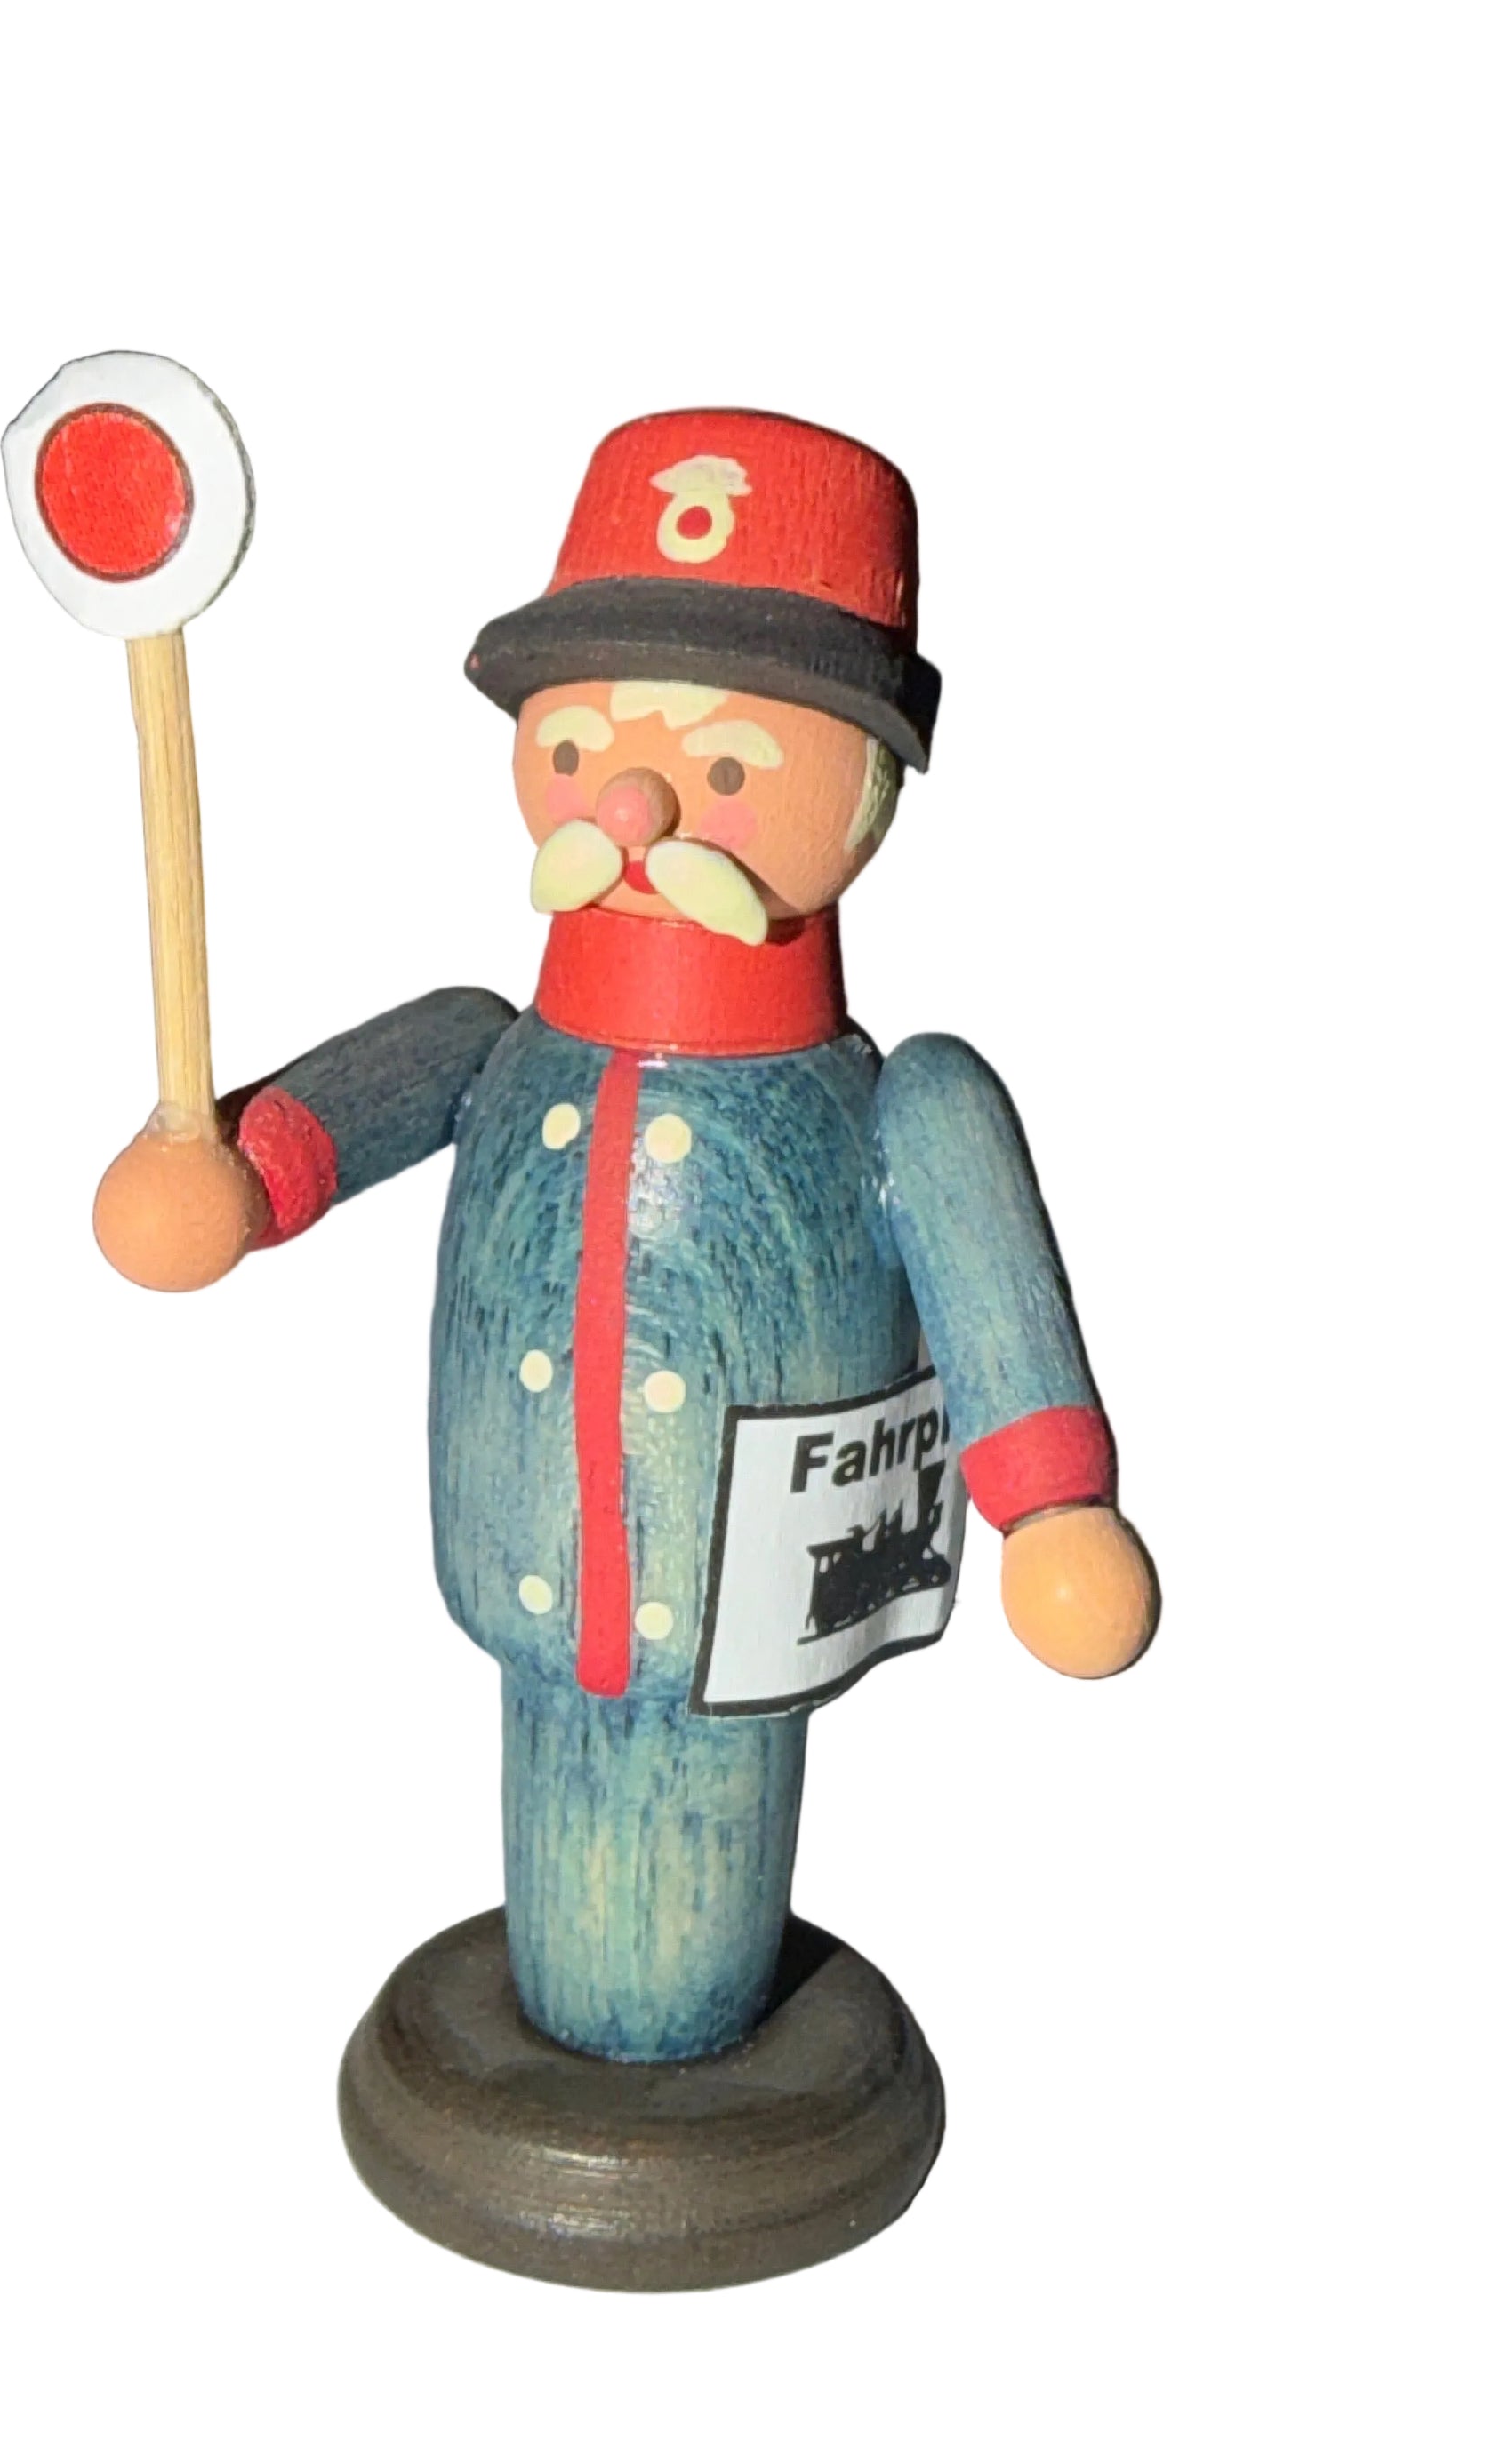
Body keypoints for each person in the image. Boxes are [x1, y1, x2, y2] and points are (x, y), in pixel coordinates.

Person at [92, 409, 1159, 2064]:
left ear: (871, 789)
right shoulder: (490, 1044)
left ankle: (683, 2032)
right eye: (586, 748)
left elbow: (985, 1273)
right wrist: (232, 1179)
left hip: (750, 1592)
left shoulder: (899, 1105)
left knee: (702, 1800)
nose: (641, 802)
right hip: (520, 1558)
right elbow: (327, 1125)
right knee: (558, 1736)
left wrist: (1049, 1504)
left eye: (727, 767)